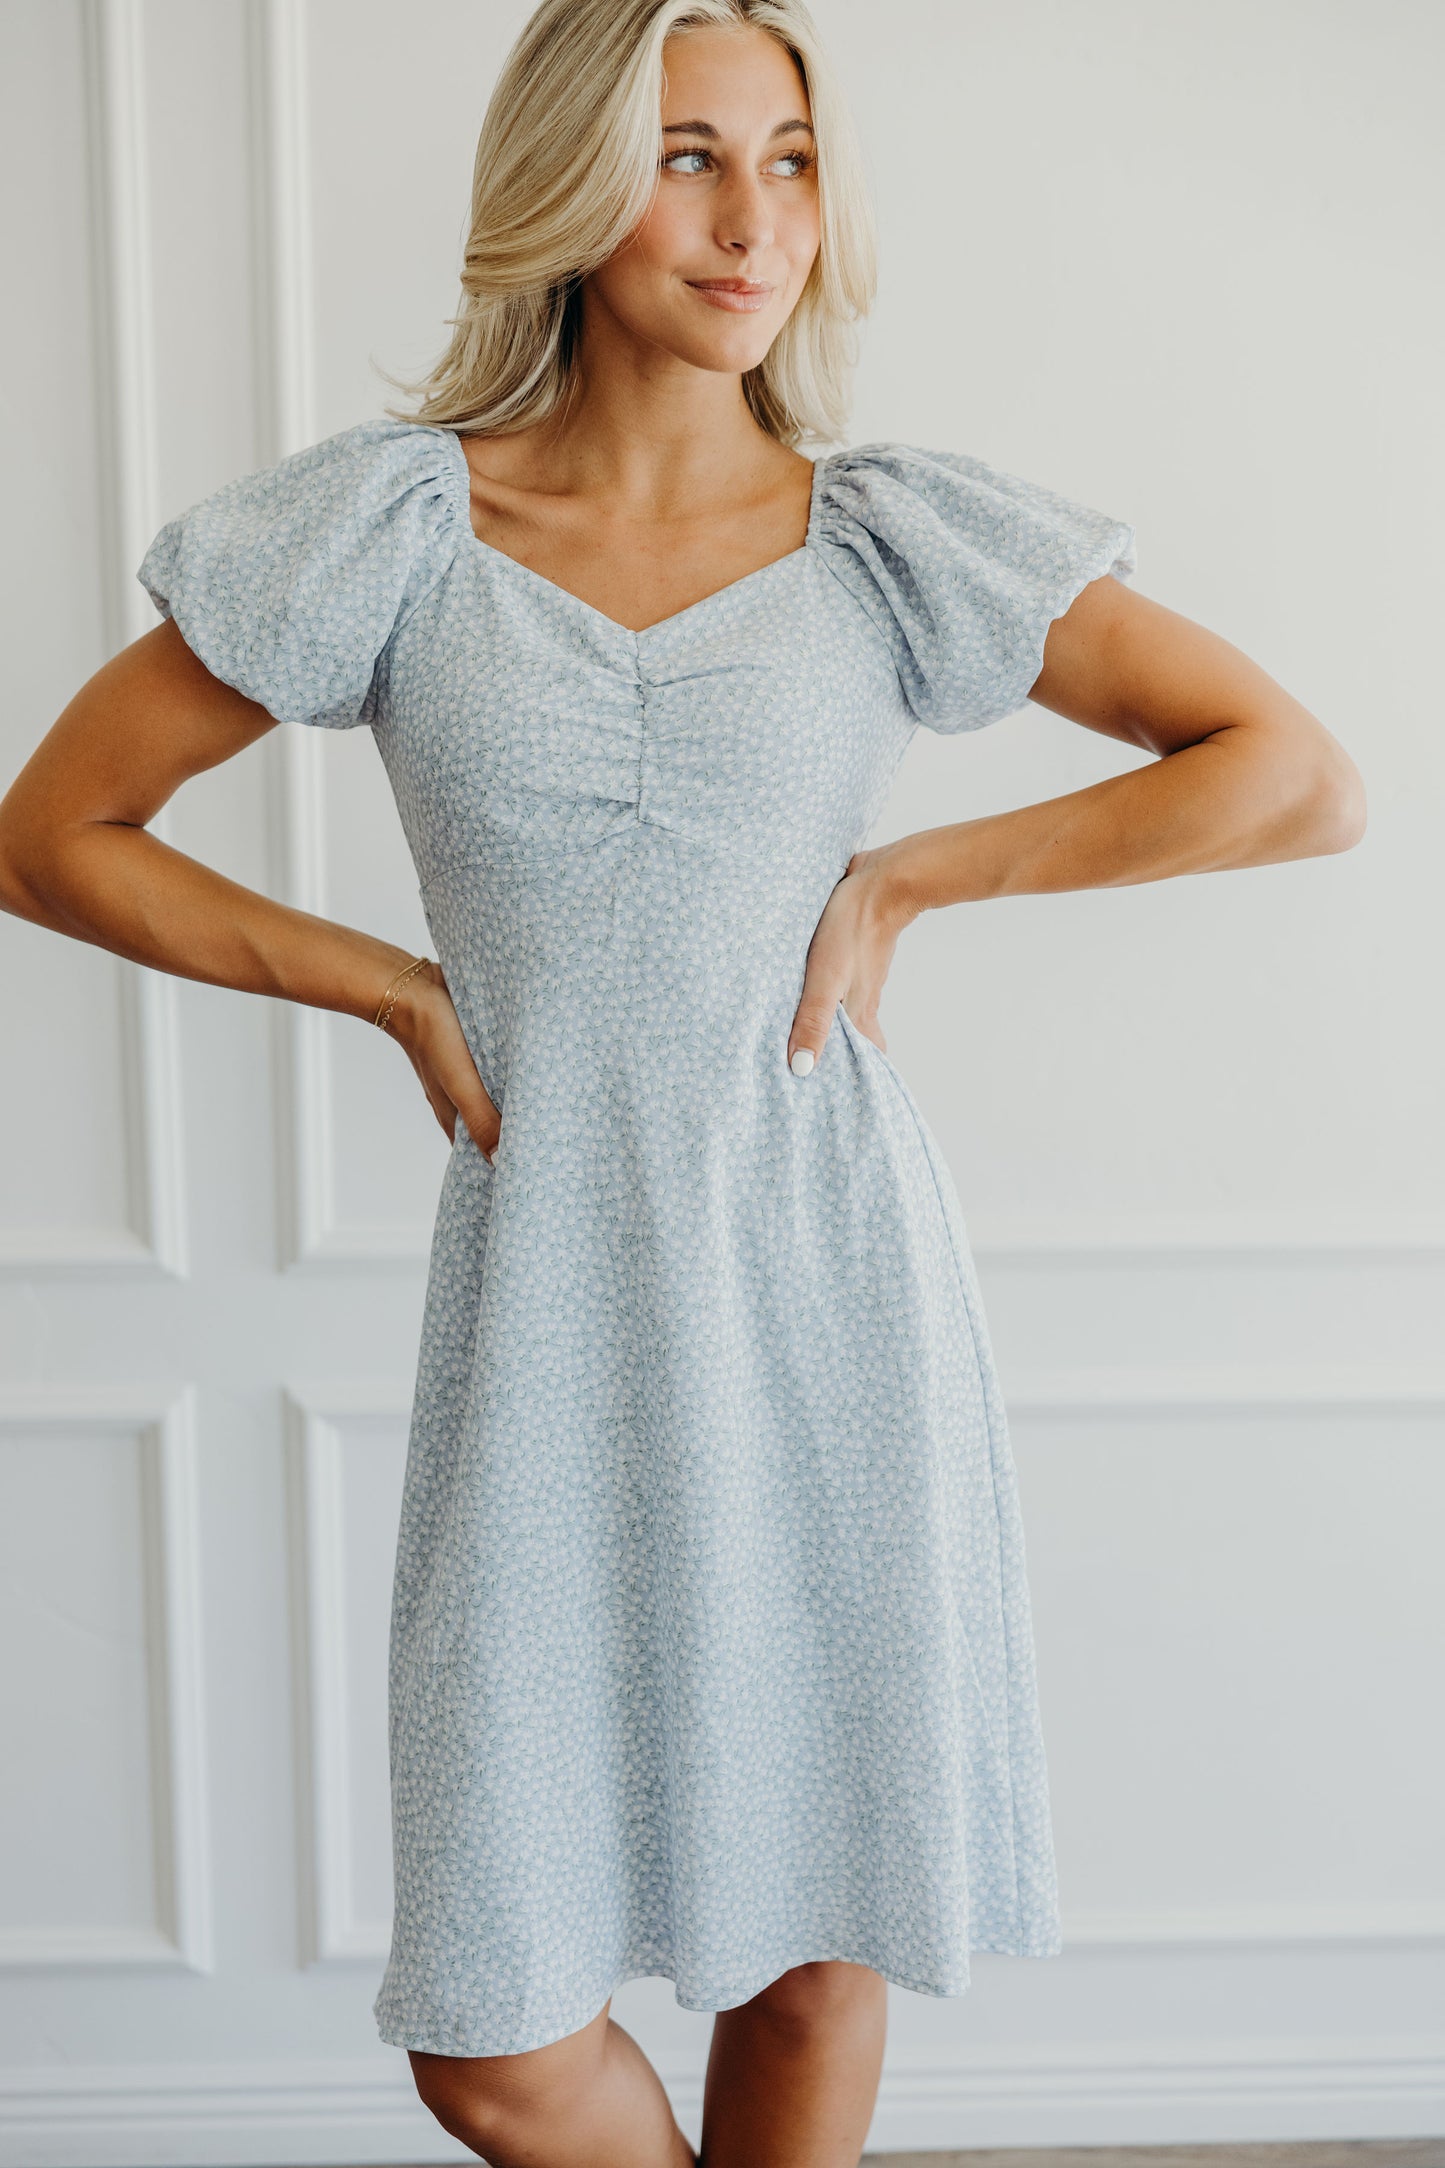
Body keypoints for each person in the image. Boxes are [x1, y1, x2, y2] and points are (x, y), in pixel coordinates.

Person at [0, 1, 1365, 2163]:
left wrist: (920, 872)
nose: (757, 220)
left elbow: (1291, 772)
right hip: (545, 1308)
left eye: (795, 158)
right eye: (692, 156)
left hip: (829, 1283)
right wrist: (386, 988)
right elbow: (49, 832)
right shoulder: (392, 532)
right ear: (563, 182)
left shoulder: (888, 535)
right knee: (492, 2027)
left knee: (815, 1940)